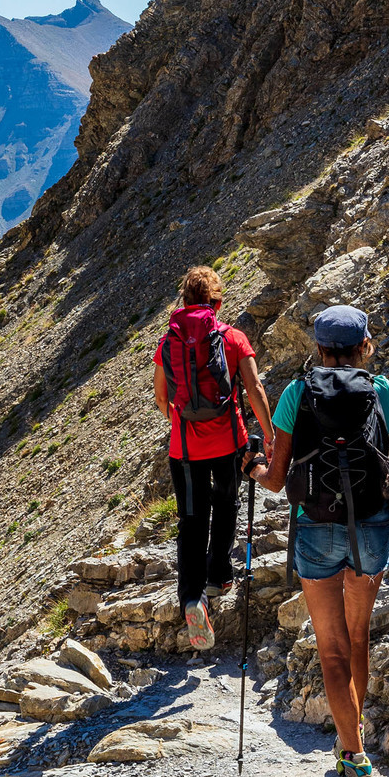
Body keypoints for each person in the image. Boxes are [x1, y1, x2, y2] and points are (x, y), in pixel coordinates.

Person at [248, 302, 389, 777]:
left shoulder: (295, 394)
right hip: (372, 529)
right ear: (365, 347)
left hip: (316, 530)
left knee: (330, 649)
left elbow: (274, 479)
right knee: (358, 636)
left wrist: (254, 466)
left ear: (318, 349)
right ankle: (351, 738)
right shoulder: (380, 389)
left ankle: (354, 769)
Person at [153, 265, 274, 652]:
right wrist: (268, 437)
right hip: (228, 442)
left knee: (191, 519)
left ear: (185, 302)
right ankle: (219, 575)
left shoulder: (167, 342)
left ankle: (191, 598)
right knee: (226, 503)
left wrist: (183, 423)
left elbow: (160, 399)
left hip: (185, 449)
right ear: (217, 303)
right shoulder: (232, 337)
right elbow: (254, 388)